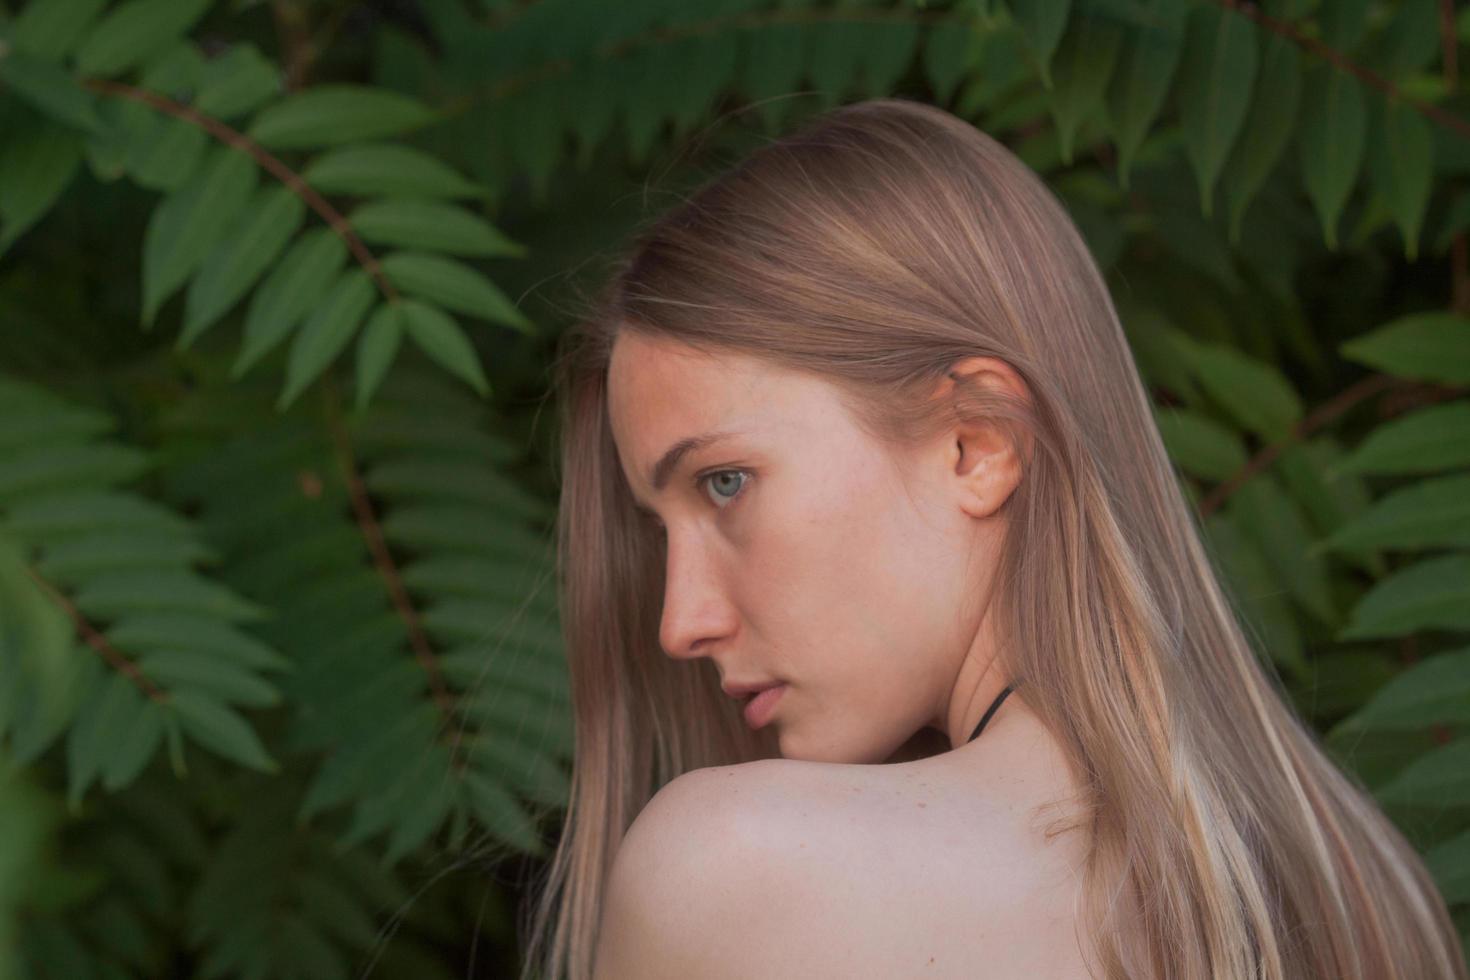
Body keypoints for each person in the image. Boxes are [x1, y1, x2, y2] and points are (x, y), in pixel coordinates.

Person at [518, 97, 1467, 979]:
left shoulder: (733, 872)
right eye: (662, 527)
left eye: (724, 483)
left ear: (978, 445)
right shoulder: (1365, 896)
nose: (679, 622)